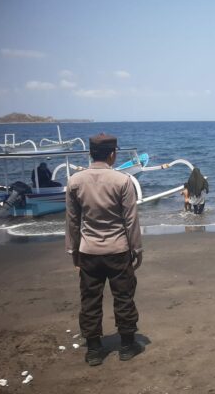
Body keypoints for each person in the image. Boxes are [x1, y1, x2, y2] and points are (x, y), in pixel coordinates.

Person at [65, 133, 144, 366]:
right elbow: (131, 220)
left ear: (90, 153)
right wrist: (137, 249)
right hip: (118, 249)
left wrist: (73, 251)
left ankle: (94, 350)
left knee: (90, 298)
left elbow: (72, 220)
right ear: (113, 154)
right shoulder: (122, 181)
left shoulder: (75, 181)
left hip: (88, 251)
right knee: (124, 296)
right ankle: (127, 345)